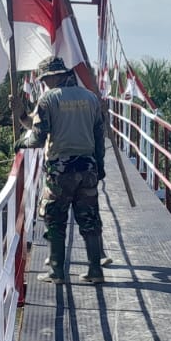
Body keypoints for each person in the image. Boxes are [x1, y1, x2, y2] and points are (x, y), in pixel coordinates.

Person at [21, 56, 108, 283]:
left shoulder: (49, 99)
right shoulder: (90, 98)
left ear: (53, 76)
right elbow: (99, 135)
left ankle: (57, 272)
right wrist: (100, 166)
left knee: (54, 218)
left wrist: (21, 143)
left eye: (45, 79)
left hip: (60, 169)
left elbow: (38, 138)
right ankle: (95, 271)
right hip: (88, 166)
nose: (44, 83)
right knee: (89, 218)